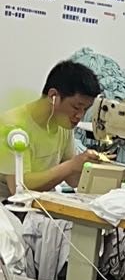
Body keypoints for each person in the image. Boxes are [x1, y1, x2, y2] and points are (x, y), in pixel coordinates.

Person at [0, 59, 101, 193]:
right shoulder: (12, 126)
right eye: (76, 107)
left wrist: (91, 166)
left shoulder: (63, 123)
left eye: (86, 110)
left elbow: (72, 180)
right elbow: (18, 187)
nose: (80, 116)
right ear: (53, 96)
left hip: (43, 201)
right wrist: (70, 166)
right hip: (8, 203)